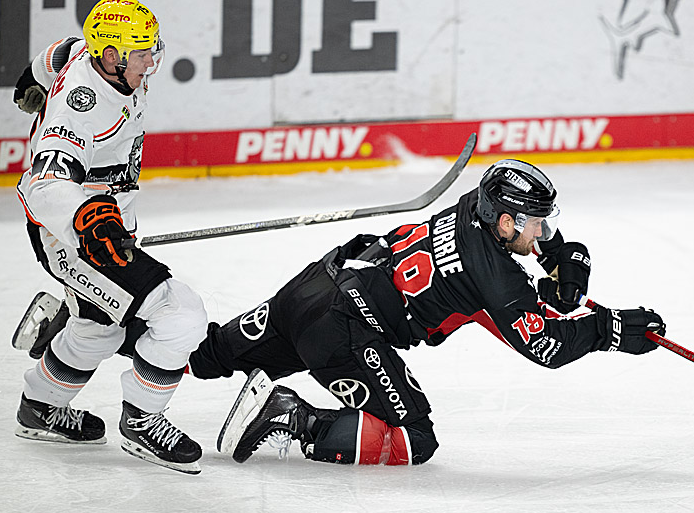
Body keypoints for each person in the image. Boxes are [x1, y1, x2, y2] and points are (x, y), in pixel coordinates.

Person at [196, 158, 666, 466]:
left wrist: (564, 258)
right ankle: (293, 416)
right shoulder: (496, 282)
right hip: (341, 333)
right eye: (538, 224)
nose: (543, 232)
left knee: (204, 354)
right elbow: (548, 346)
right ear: (506, 221)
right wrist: (610, 328)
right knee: (414, 440)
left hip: (313, 286)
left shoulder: (474, 204)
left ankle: (152, 363)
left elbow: (528, 254)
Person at [11, 0, 208, 475]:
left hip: (105, 224)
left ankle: (40, 406)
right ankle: (142, 420)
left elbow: (62, 51)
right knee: (181, 316)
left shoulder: (93, 56)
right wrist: (92, 220)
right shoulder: (80, 108)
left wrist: (32, 76)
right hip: (73, 235)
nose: (151, 61)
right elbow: (47, 185)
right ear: (114, 55)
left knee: (99, 327)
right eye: (141, 53)